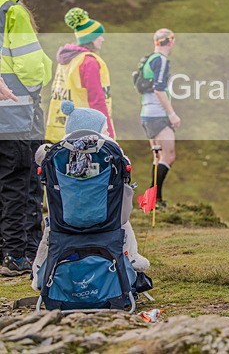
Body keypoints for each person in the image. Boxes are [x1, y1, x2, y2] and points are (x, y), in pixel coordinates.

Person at [31, 101, 150, 290]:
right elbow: (125, 166)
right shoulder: (109, 152)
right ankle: (133, 258)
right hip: (107, 220)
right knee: (124, 224)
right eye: (105, 130)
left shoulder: (58, 155)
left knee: (49, 232)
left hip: (63, 221)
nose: (108, 134)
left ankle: (39, 274)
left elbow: (40, 157)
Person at [0, 0, 52, 276]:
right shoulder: (12, 12)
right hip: (16, 112)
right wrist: (40, 79)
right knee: (21, 181)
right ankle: (18, 255)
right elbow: (31, 68)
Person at [45, 7, 114, 142]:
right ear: (90, 38)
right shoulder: (89, 62)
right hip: (87, 129)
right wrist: (108, 134)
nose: (102, 39)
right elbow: (97, 100)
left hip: (61, 128)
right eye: (98, 35)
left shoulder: (66, 60)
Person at [140, 28, 180, 207]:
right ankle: (152, 198)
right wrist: (171, 114)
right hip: (159, 115)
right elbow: (158, 89)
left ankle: (154, 200)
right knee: (168, 155)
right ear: (170, 42)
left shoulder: (148, 59)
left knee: (157, 156)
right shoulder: (162, 61)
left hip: (146, 114)